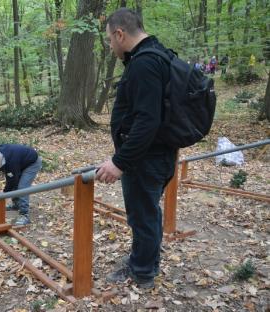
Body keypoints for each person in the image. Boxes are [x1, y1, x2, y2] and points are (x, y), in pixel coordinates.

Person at [96, 8, 177, 289]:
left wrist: (120, 162)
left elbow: (147, 120)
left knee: (142, 215)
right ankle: (148, 260)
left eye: (109, 39)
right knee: (148, 212)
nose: (109, 46)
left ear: (120, 34)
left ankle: (141, 271)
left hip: (146, 159)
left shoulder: (144, 63)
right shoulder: (158, 54)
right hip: (158, 154)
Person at [0, 144, 42, 226]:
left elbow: (12, 179)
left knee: (22, 188)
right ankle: (16, 204)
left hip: (32, 163)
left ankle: (24, 215)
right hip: (21, 163)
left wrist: (4, 193)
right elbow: (11, 178)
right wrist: (6, 192)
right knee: (15, 183)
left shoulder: (10, 161)